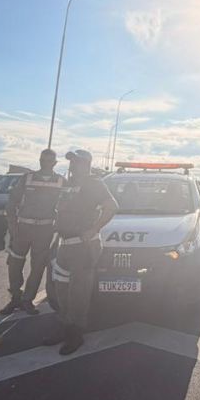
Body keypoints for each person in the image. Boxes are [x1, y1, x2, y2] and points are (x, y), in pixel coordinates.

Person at [43, 150, 117, 355]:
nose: (72, 165)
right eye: (71, 162)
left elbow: (111, 206)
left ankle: (75, 333)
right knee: (61, 290)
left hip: (83, 246)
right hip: (64, 244)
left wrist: (94, 228)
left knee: (79, 292)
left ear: (86, 164)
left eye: (75, 161)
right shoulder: (68, 183)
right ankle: (65, 327)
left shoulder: (94, 183)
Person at [0, 149, 65, 316]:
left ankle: (27, 300)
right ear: (39, 161)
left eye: (50, 161)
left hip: (45, 230)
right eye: (43, 160)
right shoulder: (27, 178)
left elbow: (68, 206)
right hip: (23, 228)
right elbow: (11, 203)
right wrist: (13, 227)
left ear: (55, 163)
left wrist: (58, 227)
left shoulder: (60, 181)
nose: (46, 164)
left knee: (38, 267)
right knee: (14, 263)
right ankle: (15, 297)